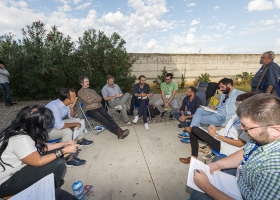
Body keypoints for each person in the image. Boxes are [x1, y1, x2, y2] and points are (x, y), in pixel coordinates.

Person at [190, 94, 280, 200]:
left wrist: (207, 187)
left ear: (275, 130)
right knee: (217, 161)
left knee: (199, 193)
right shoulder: (262, 137)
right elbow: (245, 152)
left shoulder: (274, 170)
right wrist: (218, 165)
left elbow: (240, 144)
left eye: (247, 128)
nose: (242, 129)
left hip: (244, 194)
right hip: (241, 179)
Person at [0, 105, 80, 198]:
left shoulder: (20, 129)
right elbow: (38, 162)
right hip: (6, 182)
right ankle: (50, 192)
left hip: (17, 169)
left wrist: (63, 144)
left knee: (57, 158)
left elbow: (41, 147)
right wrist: (63, 151)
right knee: (58, 163)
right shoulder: (20, 138)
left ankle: (51, 183)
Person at [179, 92, 255, 164]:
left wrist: (216, 135)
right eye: (237, 104)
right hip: (219, 137)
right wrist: (216, 128)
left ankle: (198, 153)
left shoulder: (249, 123)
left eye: (240, 105)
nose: (237, 107)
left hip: (226, 146)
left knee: (195, 129)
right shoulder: (237, 116)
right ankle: (194, 158)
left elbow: (240, 143)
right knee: (193, 134)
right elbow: (228, 127)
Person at [45, 88, 92, 167]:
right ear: (67, 99)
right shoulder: (54, 106)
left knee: (78, 120)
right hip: (45, 131)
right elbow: (60, 126)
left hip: (55, 125)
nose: (76, 98)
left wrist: (71, 107)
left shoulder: (65, 103)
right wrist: (75, 124)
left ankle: (80, 140)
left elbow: (72, 117)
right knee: (67, 131)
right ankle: (68, 159)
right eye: (74, 97)